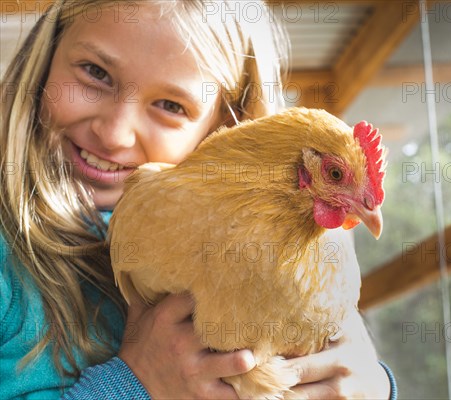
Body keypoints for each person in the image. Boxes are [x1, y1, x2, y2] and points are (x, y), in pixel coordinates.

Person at [0, 0, 397, 398]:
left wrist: (370, 385)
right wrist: (133, 385)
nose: (114, 134)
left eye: (171, 106)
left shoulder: (289, 259)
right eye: (95, 72)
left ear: (223, 126)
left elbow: (335, 370)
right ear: (46, 55)